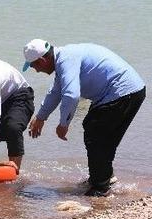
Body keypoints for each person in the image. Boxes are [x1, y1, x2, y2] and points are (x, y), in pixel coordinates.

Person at [22, 40, 145, 197]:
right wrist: (41, 117)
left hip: (122, 92)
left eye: (33, 66)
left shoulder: (66, 60)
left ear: (42, 60)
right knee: (100, 135)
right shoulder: (64, 58)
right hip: (129, 91)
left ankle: (100, 188)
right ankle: (103, 178)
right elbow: (56, 92)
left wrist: (64, 124)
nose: (36, 70)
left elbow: (71, 95)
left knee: (95, 134)